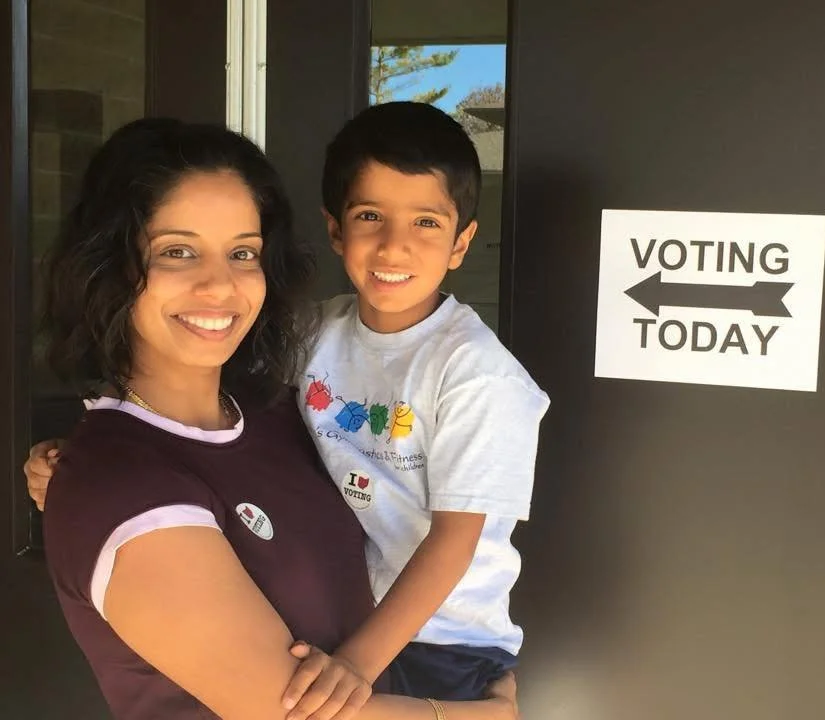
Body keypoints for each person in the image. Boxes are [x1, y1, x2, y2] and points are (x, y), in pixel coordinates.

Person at [29, 116, 518, 720]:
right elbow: (288, 712)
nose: (219, 285)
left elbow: (456, 536)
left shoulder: (277, 408)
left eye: (243, 253)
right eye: (177, 251)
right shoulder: (120, 485)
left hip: (449, 645)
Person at [287, 101, 550, 705]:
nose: (394, 246)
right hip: (338, 618)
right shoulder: (310, 335)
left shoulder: (477, 375)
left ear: (462, 242)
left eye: (426, 223)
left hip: (442, 640)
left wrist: (357, 663)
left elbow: (454, 541)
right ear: (336, 230)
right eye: (370, 215)